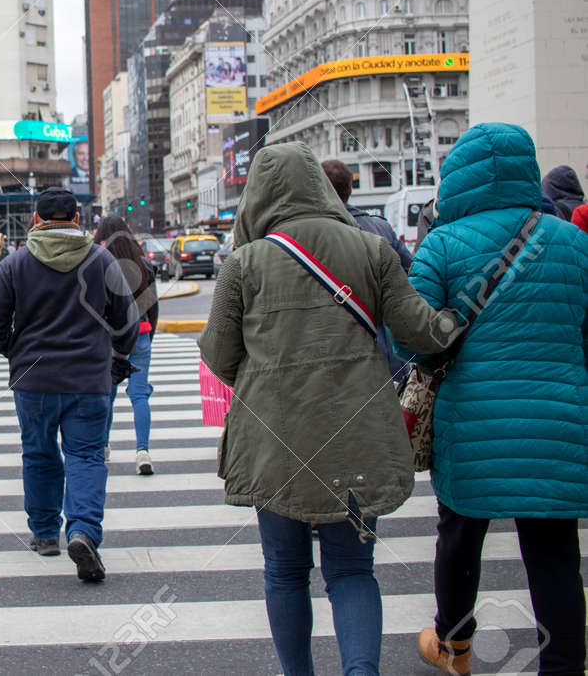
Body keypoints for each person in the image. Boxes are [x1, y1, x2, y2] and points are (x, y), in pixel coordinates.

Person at [198, 142, 459, 676]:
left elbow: (219, 356)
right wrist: (456, 320)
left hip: (272, 440)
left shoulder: (244, 263)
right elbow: (419, 333)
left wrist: (265, 381)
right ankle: (361, 670)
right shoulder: (371, 250)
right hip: (357, 433)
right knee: (352, 571)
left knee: (285, 571)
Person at [404, 124, 588, 676]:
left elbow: (413, 336)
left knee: (459, 534)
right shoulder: (574, 242)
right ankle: (562, 665)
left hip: (472, 419)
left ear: (457, 176)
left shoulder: (441, 244)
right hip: (560, 417)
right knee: (554, 552)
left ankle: (454, 646)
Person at [0, 187, 138, 582]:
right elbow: (128, 320)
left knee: (38, 453)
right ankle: (82, 530)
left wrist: (11, 350)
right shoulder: (101, 260)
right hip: (89, 379)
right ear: (79, 219)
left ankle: (45, 532)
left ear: (36, 219)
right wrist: (117, 356)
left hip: (33, 378)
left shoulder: (15, 264)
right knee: (85, 456)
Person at [321, 159, 413, 381]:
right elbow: (410, 273)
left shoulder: (313, 234)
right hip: (389, 355)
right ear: (350, 189)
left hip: (340, 361)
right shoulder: (381, 228)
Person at [94, 216, 159, 475]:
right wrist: (148, 336)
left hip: (110, 338)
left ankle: (104, 446)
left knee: (106, 394)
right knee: (140, 394)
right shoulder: (143, 263)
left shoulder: (98, 263)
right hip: (141, 333)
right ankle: (142, 451)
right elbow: (152, 307)